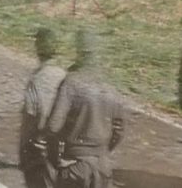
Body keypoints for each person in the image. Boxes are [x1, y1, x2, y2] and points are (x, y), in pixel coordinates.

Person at [46, 30, 125, 188]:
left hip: (75, 164)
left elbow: (53, 126)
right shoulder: (111, 85)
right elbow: (119, 130)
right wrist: (101, 153)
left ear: (79, 52)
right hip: (103, 167)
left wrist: (55, 159)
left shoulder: (71, 82)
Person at [20, 28, 66, 188]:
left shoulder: (36, 80)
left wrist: (23, 152)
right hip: (62, 147)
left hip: (40, 149)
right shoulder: (65, 76)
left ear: (38, 49)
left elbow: (29, 120)